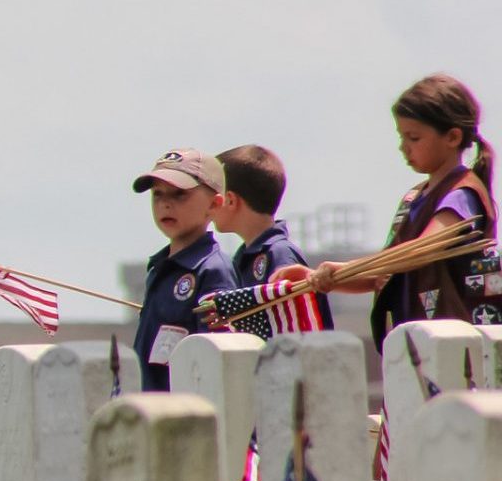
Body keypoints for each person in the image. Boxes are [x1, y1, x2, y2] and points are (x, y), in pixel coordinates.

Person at [300, 74, 502, 345]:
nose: (403, 147)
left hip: (455, 349)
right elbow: (387, 272)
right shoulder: (415, 198)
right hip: (418, 344)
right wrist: (330, 278)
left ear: (453, 137)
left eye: (414, 137)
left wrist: (347, 268)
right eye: (402, 136)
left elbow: (418, 253)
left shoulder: (461, 195)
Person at [131, 149, 238, 391]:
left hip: (186, 415)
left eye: (180, 194)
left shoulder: (212, 270)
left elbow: (215, 356)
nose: (165, 203)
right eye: (157, 194)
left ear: (214, 204)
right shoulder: (160, 267)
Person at [210, 144, 333, 328]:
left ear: (230, 200)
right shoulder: (242, 258)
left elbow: (295, 321)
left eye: (213, 196)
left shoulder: (279, 253)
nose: (209, 205)